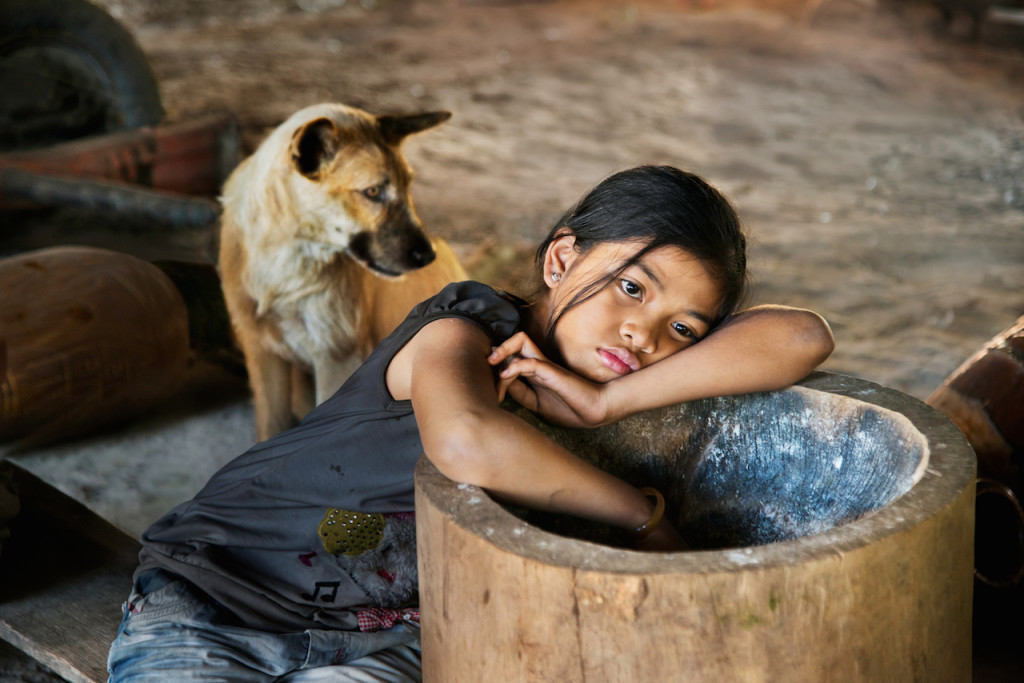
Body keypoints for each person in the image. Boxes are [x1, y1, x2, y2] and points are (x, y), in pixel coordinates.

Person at [107, 165, 834, 681]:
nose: (643, 332)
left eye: (681, 326)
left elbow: (804, 336)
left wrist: (602, 403)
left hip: (388, 639)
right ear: (560, 257)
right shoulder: (465, 329)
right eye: (631, 287)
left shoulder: (611, 394)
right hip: (220, 600)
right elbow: (465, 441)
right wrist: (644, 515)